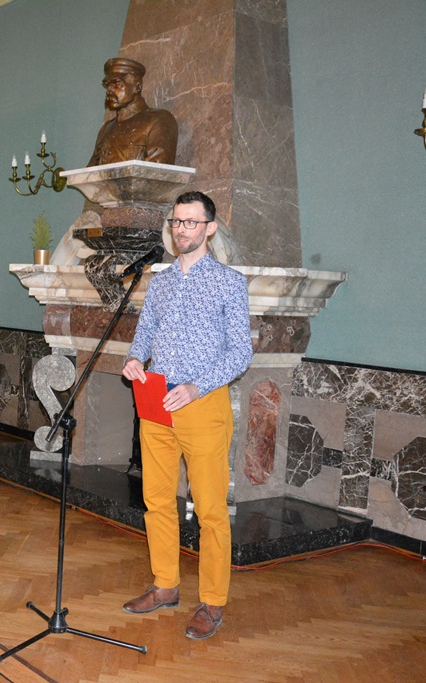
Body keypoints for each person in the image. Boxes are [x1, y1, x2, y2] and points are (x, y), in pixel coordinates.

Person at [120, 190, 252, 639]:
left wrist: (197, 386)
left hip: (202, 404)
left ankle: (212, 602)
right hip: (156, 400)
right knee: (157, 500)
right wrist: (134, 360)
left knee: (210, 510)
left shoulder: (229, 283)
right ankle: (165, 585)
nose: (181, 230)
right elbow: (145, 334)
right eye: (177, 221)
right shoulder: (160, 281)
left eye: (191, 222)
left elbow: (240, 353)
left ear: (209, 228)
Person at [88, 57, 178, 166]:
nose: (109, 90)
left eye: (117, 84)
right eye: (108, 85)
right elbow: (91, 172)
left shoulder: (159, 120)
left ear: (137, 87)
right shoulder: (106, 129)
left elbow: (157, 170)